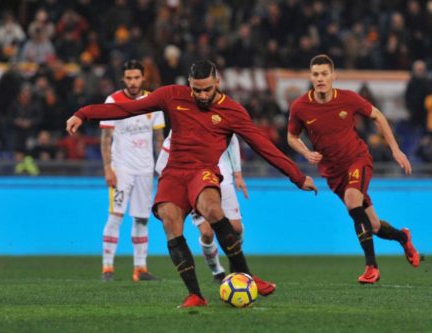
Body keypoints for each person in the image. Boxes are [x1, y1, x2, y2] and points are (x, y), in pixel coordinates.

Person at [67, 60, 317, 308]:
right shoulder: (172, 95)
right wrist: (83, 113)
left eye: (207, 89)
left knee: (212, 209)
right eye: (197, 89)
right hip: (174, 172)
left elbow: (263, 146)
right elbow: (127, 109)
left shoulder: (232, 111)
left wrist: (297, 176)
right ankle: (195, 295)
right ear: (189, 84)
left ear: (217, 83)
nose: (202, 95)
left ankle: (246, 276)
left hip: (203, 170)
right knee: (169, 219)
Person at [287, 54, 420, 284]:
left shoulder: (347, 99)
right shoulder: (300, 107)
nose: (320, 79)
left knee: (352, 200)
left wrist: (395, 149)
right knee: (374, 225)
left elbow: (377, 115)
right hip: (333, 172)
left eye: (324, 74)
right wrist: (306, 152)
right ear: (311, 77)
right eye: (316, 74)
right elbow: (291, 136)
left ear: (333, 76)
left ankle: (371, 267)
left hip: (357, 159)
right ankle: (403, 237)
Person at [99, 59, 165, 282]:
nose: (133, 82)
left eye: (137, 77)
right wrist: (108, 168)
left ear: (143, 77)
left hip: (145, 170)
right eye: (129, 78)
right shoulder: (113, 101)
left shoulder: (153, 101)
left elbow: (159, 139)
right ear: (123, 79)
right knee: (115, 216)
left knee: (141, 219)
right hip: (122, 169)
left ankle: (140, 269)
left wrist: (162, 167)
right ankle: (107, 268)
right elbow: (105, 138)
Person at [155, 132, 247, 283]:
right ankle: (217, 271)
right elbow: (161, 165)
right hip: (195, 183)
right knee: (207, 233)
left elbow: (233, 140)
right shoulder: (179, 127)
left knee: (236, 229)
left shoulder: (217, 117)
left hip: (223, 178)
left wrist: (237, 173)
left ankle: (235, 259)